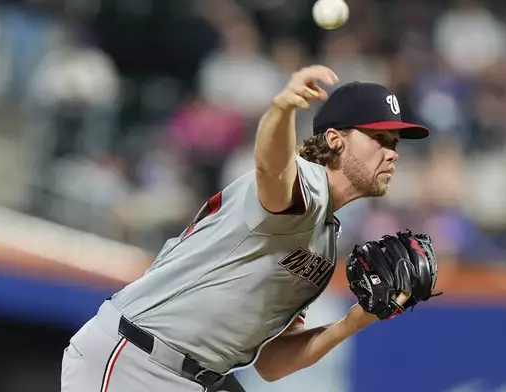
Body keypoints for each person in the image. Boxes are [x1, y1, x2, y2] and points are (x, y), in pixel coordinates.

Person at [60, 65, 431, 392]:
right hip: (137, 360)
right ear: (335, 139)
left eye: (394, 143)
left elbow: (271, 364)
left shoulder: (326, 241)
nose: (392, 152)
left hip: (199, 377)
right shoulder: (307, 182)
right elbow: (271, 168)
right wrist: (281, 110)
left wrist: (354, 321)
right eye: (379, 139)